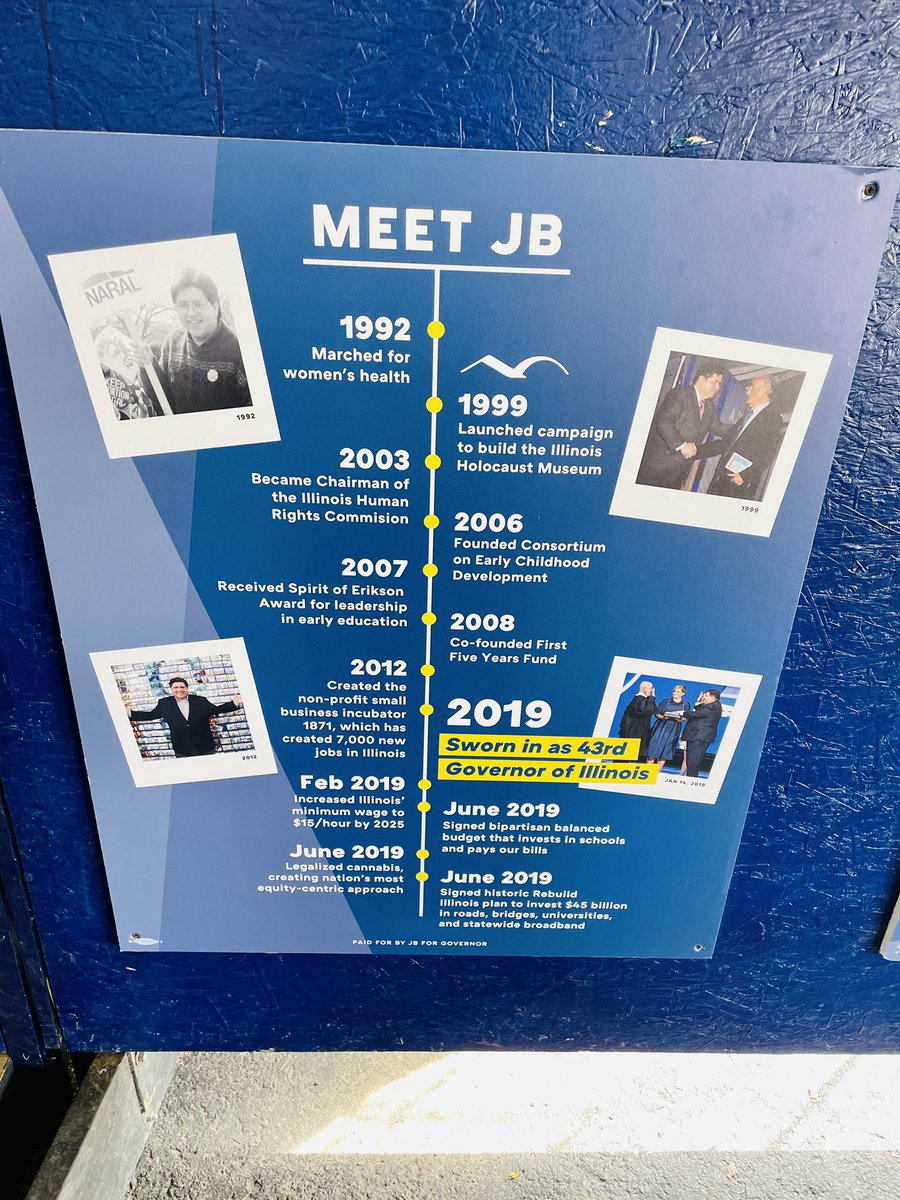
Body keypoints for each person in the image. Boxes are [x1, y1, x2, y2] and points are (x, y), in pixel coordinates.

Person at [154, 268, 251, 415]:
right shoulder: (172, 342)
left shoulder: (241, 350)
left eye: (198, 304)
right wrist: (147, 364)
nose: (191, 313)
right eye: (183, 305)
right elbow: (163, 399)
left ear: (215, 306)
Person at [636, 359, 735, 490]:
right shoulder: (679, 395)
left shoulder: (709, 406)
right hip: (655, 470)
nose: (717, 388)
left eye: (720, 384)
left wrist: (743, 428)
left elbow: (719, 428)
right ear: (701, 380)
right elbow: (664, 421)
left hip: (677, 476)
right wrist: (681, 445)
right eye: (715, 382)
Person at [697, 375, 783, 500]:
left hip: (737, 487)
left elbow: (768, 454)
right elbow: (724, 444)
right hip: (720, 480)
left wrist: (745, 476)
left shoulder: (773, 419)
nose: (747, 391)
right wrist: (696, 450)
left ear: (763, 390)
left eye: (752, 387)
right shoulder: (747, 417)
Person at [128, 676, 243, 758]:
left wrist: (234, 703)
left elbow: (216, 710)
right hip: (182, 749)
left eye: (182, 687)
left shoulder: (200, 701)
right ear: (172, 690)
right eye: (175, 687)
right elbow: (151, 715)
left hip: (205, 747)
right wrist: (129, 714)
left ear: (187, 688)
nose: (179, 690)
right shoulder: (164, 703)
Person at [680, 689, 723, 778]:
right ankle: (691, 777)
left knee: (693, 759)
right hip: (697, 735)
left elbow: (697, 714)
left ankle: (691, 779)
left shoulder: (712, 706)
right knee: (691, 760)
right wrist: (700, 702)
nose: (704, 697)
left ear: (713, 698)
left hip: (700, 736)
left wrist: (682, 713)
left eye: (706, 696)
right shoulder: (711, 705)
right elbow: (700, 711)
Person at [645, 684, 690, 767]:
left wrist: (680, 719)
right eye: (674, 691)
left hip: (673, 729)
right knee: (652, 751)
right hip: (661, 727)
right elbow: (657, 713)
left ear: (683, 693)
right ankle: (647, 774)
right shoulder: (666, 701)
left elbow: (686, 717)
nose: (675, 693)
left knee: (664, 753)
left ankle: (655, 775)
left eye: (678, 691)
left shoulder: (685, 704)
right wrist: (663, 717)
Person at [617, 680, 656, 760]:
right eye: (651, 688)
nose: (652, 690)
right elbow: (648, 711)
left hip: (632, 735)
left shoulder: (640, 700)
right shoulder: (640, 700)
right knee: (625, 758)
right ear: (644, 688)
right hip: (633, 736)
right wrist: (651, 698)